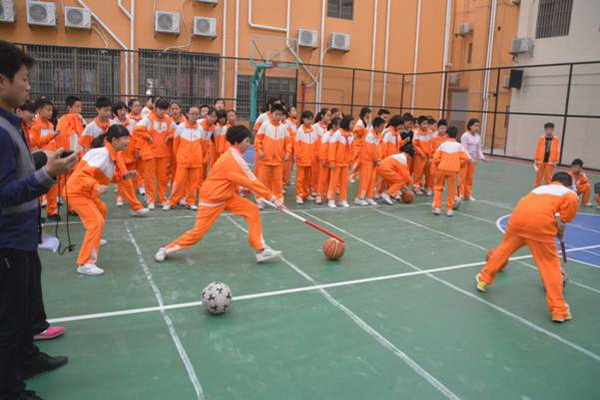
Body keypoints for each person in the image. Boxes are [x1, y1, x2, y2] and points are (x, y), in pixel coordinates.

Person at [0, 40, 78, 400]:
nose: (29, 87)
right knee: (8, 319)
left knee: (24, 309)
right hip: (7, 241)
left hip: (22, 236)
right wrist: (46, 174)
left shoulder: (11, 124)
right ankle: (9, 389)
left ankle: (27, 359)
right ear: (2, 81)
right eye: (24, 79)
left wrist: (41, 158)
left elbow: (13, 171)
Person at [154, 125, 284, 264]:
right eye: (247, 141)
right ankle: (165, 249)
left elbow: (232, 178)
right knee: (197, 234)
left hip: (226, 196)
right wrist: (273, 198)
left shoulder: (234, 156)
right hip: (212, 199)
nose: (249, 144)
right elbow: (252, 181)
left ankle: (261, 250)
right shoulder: (233, 159)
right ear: (237, 142)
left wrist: (240, 189)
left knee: (252, 210)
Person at [476, 172, 579, 322]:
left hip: (517, 220)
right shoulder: (569, 194)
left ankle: (483, 279)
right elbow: (565, 217)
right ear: (568, 184)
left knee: (503, 250)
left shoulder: (539, 189)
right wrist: (560, 229)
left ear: (553, 180)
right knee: (549, 266)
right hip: (540, 226)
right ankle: (559, 310)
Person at [67, 125, 137, 276]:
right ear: (115, 140)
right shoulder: (103, 154)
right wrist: (95, 185)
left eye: (128, 138)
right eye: (125, 138)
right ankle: (86, 263)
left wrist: (124, 176)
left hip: (86, 192)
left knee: (102, 209)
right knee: (96, 222)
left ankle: (94, 239)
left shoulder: (110, 154)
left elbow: (107, 176)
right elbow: (82, 174)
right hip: (78, 192)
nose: (128, 141)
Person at [134, 98, 177, 209]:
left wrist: (170, 136)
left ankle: (162, 198)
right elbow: (137, 129)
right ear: (155, 108)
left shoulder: (169, 120)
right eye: (160, 109)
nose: (163, 112)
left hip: (163, 153)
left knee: (163, 178)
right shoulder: (148, 118)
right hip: (150, 153)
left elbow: (177, 131)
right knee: (149, 178)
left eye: (165, 110)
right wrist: (147, 136)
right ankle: (150, 200)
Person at [112, 101, 149, 216]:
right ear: (115, 112)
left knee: (131, 178)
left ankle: (132, 200)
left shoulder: (132, 123)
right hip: (119, 155)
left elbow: (137, 137)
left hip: (131, 154)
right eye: (120, 110)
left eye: (124, 110)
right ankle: (121, 196)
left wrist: (137, 149)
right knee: (122, 177)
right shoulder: (112, 124)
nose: (122, 112)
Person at [165, 106, 203, 211]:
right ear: (187, 114)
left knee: (193, 183)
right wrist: (179, 156)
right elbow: (176, 144)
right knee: (179, 182)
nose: (194, 116)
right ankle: (172, 202)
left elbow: (202, 145)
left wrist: (199, 156)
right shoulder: (181, 127)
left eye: (196, 114)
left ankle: (190, 202)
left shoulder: (200, 129)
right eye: (192, 114)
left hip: (196, 161)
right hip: (183, 160)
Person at [254, 103, 291, 208]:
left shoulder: (284, 128)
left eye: (280, 115)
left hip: (278, 160)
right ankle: (260, 199)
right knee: (262, 181)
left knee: (278, 182)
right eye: (276, 114)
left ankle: (279, 200)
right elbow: (258, 139)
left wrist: (287, 153)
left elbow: (288, 143)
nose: (278, 116)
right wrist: (259, 151)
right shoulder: (265, 125)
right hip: (265, 159)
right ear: (271, 114)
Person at [431, 127, 469, 216]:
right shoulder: (459, 146)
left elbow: (435, 158)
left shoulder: (442, 145)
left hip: (441, 169)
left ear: (446, 134)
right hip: (453, 171)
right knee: (452, 190)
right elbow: (465, 159)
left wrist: (439, 165)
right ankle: (449, 209)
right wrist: (458, 165)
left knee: (438, 187)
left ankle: (437, 207)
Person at [355, 116, 384, 206]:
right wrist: (376, 159)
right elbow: (370, 150)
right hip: (367, 161)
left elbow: (378, 149)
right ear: (376, 127)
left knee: (372, 181)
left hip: (373, 162)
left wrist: (378, 159)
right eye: (381, 127)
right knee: (365, 180)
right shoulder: (370, 135)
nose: (382, 129)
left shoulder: (378, 135)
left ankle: (369, 197)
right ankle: (359, 198)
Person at [327, 115, 355, 208]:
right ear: (347, 123)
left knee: (344, 183)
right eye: (352, 123)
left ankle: (342, 199)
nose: (353, 126)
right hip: (337, 163)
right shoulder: (338, 134)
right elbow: (332, 148)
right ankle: (331, 199)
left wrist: (351, 161)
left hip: (345, 163)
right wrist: (331, 161)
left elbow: (352, 150)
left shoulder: (351, 135)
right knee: (334, 182)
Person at [294, 111, 318, 204]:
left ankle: (306, 193)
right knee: (300, 178)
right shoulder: (300, 131)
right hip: (302, 159)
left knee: (308, 178)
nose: (310, 121)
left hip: (311, 159)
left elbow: (316, 143)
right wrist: (300, 156)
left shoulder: (313, 129)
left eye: (311, 119)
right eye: (308, 119)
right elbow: (296, 145)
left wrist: (315, 154)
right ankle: (299, 195)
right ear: (303, 119)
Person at [460, 118, 486, 201]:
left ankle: (468, 195)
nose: (477, 128)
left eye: (478, 126)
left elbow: (479, 149)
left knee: (470, 178)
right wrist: (470, 159)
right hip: (464, 160)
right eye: (475, 126)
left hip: (473, 161)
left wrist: (482, 157)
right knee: (462, 177)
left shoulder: (478, 137)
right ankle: (460, 194)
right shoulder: (465, 136)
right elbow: (464, 149)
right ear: (470, 126)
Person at [315, 117, 339, 205]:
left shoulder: (338, 135)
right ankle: (319, 196)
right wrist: (323, 159)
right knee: (322, 179)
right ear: (334, 126)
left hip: (333, 162)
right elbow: (323, 148)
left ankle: (328, 195)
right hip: (325, 161)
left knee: (331, 180)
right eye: (338, 126)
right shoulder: (327, 134)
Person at [534, 122, 560, 187]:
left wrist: (556, 160)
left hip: (550, 162)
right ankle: (536, 188)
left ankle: (548, 189)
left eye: (550, 129)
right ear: (545, 130)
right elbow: (538, 148)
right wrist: (536, 158)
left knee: (548, 177)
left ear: (553, 130)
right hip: (541, 161)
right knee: (538, 176)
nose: (549, 131)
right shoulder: (541, 138)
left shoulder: (556, 139)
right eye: (547, 129)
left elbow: (557, 150)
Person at [413, 115, 433, 195]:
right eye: (424, 124)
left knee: (429, 172)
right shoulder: (416, 132)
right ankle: (417, 187)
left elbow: (431, 144)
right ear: (419, 125)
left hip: (428, 156)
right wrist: (421, 153)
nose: (425, 125)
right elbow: (415, 145)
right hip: (419, 156)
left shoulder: (430, 132)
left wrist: (430, 154)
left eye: (426, 123)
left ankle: (427, 187)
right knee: (418, 172)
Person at [350, 107, 371, 182]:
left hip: (362, 144)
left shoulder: (364, 121)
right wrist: (361, 134)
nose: (369, 115)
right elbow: (356, 132)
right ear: (365, 113)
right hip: (358, 145)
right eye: (368, 113)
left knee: (359, 161)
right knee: (356, 161)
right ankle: (351, 175)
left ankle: (354, 175)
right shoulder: (360, 122)